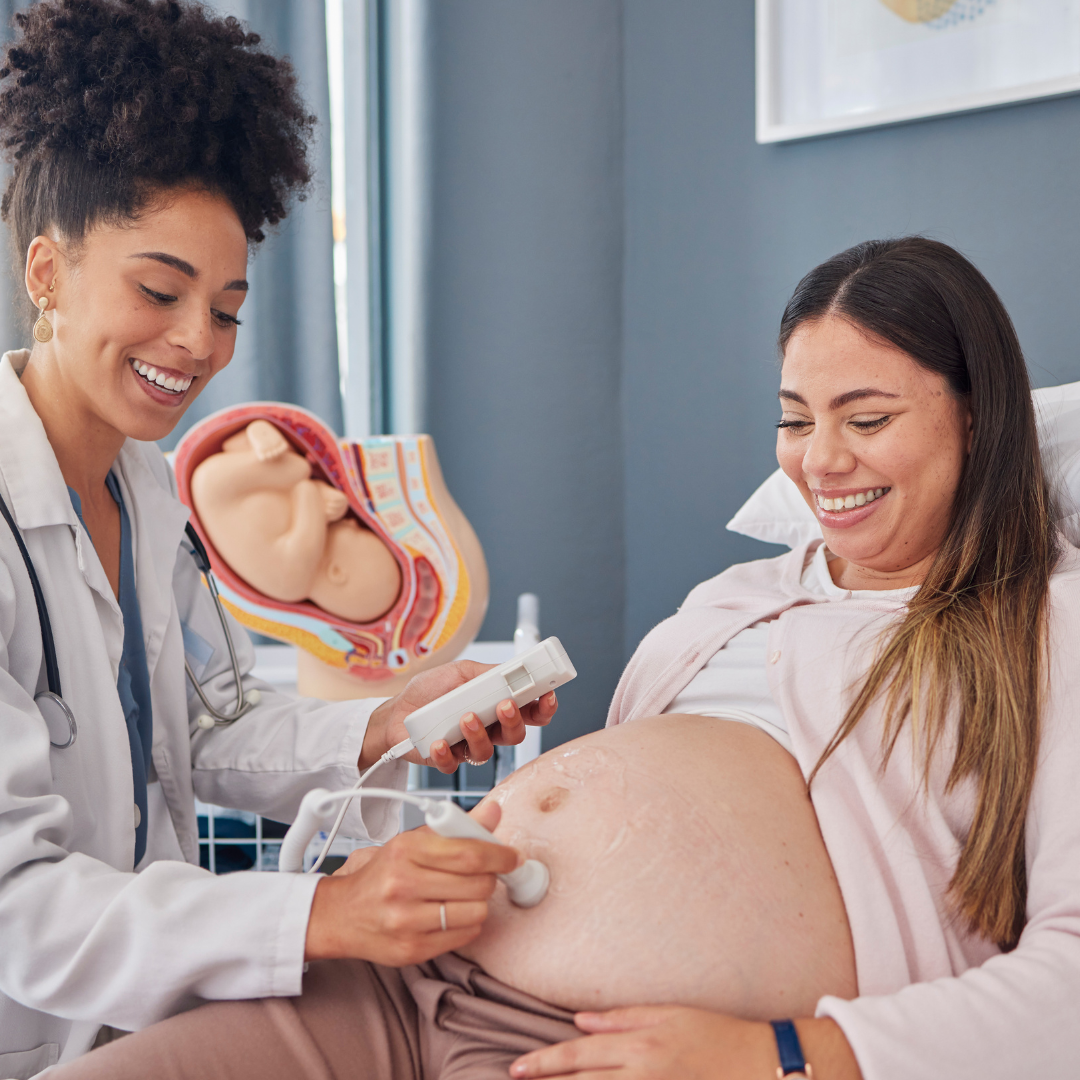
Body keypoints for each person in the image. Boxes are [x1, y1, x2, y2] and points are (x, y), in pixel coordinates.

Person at [58, 236, 1080, 1080]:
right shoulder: (732, 601)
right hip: (414, 977)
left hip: (631, 1053)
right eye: (795, 420)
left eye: (867, 420)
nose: (820, 459)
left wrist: (784, 1055)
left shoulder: (1047, 625)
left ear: (981, 418)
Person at [0, 2, 557, 1075]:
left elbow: (209, 730)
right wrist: (317, 917)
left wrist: (379, 727)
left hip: (142, 1025)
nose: (198, 344)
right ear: (46, 276)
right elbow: (16, 905)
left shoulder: (146, 490)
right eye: (160, 291)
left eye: (227, 308)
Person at [189, 419, 403, 623]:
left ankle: (256, 436)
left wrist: (317, 495)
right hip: (243, 488)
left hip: (215, 486)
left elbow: (305, 490)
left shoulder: (294, 578)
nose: (353, 523)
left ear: (336, 573)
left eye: (357, 534)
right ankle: (250, 443)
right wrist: (324, 498)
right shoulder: (297, 583)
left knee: (299, 469)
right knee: (293, 469)